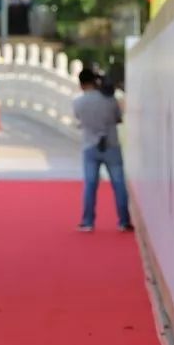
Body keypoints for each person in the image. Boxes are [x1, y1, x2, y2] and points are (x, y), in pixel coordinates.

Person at [73, 69, 132, 232]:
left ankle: (88, 221)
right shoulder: (110, 99)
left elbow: (79, 119)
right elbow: (118, 118)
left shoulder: (78, 102)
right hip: (111, 145)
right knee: (119, 184)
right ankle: (124, 220)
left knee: (90, 184)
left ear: (81, 83)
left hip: (90, 146)